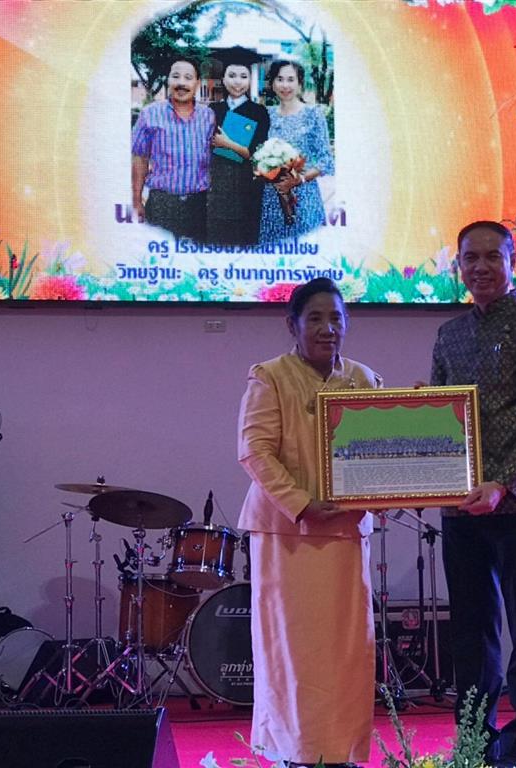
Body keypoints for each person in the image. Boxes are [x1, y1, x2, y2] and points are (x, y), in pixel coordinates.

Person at [429, 221, 516, 768]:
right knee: (470, 630)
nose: (480, 267)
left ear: (514, 262)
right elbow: (438, 414)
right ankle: (473, 739)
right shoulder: (449, 334)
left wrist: (503, 482)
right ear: (458, 265)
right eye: (471, 258)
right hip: (460, 504)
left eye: (492, 256)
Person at [237, 278, 380, 766]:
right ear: (292, 325)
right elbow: (255, 452)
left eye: (336, 318)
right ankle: (293, 753)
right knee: (292, 653)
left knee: (346, 654)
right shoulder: (270, 376)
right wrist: (301, 503)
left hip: (344, 534)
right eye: (315, 318)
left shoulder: (364, 379)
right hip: (287, 536)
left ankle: (341, 753)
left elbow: (382, 456)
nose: (327, 328)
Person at [131, 58, 216, 242]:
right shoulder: (150, 114)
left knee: (195, 256)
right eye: (176, 76)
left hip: (198, 205)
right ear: (168, 80)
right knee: (161, 256)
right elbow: (140, 158)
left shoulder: (208, 116)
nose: (181, 83)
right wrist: (136, 201)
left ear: (197, 83)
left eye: (188, 78)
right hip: (162, 204)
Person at [258, 60, 334, 244]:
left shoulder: (313, 114)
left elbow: (326, 160)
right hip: (271, 198)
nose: (285, 85)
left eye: (291, 79)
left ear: (299, 83)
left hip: (304, 196)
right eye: (280, 79)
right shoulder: (266, 114)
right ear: (272, 83)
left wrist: (299, 179)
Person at [207, 50, 270, 245]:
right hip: (218, 189)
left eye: (243, 76)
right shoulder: (213, 110)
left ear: (250, 80)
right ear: (223, 79)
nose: (237, 82)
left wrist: (227, 143)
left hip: (247, 188)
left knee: (245, 241)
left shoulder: (259, 112)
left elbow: (258, 154)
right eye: (232, 75)